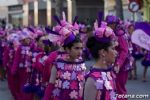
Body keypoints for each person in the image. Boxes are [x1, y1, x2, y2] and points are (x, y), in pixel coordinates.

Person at [84, 21, 117, 100]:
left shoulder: (109, 72)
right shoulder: (92, 79)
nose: (116, 52)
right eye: (113, 49)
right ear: (103, 52)